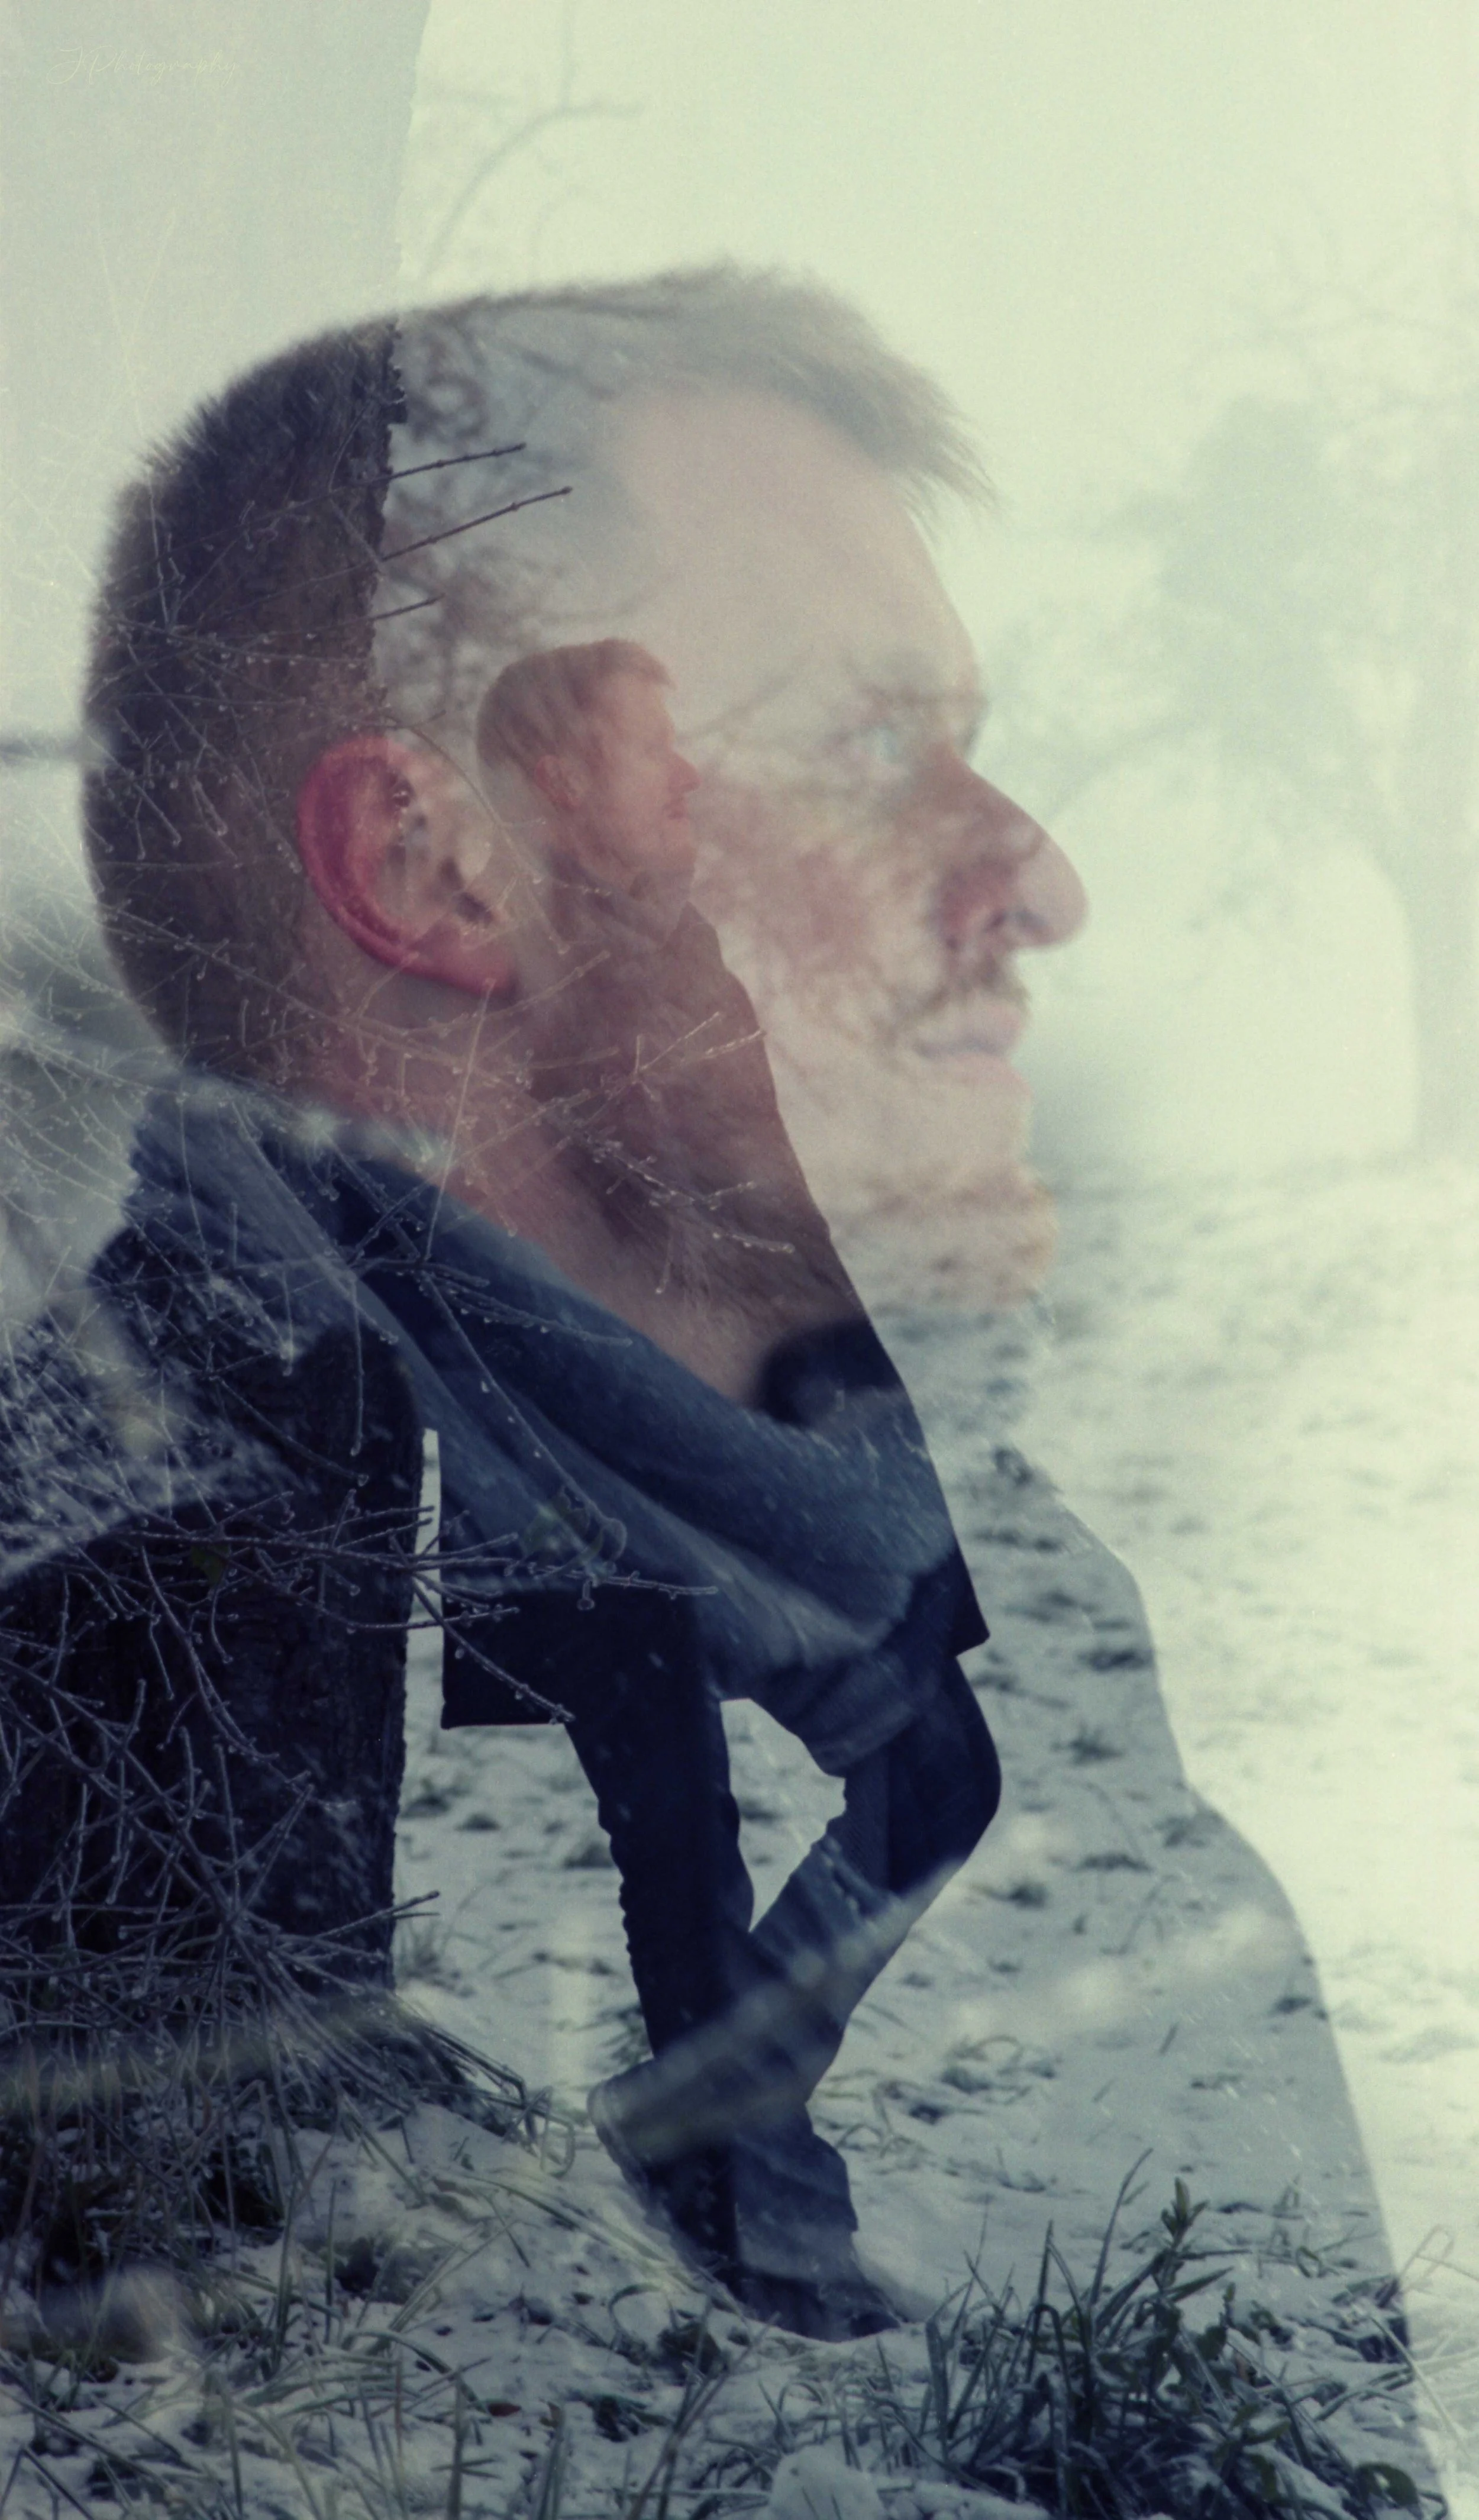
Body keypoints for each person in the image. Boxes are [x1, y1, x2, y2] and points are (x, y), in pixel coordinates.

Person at [1, 273, 1403, 2373]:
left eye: (967, 747)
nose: (1036, 876)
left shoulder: (1006, 1581)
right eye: (858, 744)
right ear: (434, 858)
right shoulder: (132, 1534)